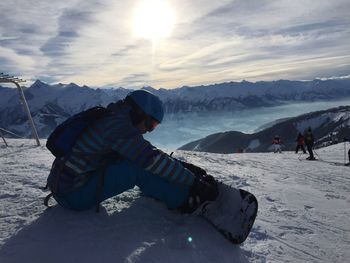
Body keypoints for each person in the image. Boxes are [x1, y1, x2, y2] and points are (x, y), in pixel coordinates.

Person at [46, 90, 218, 213]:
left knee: (135, 160)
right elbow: (151, 159)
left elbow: (145, 151)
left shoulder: (112, 118)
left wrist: (184, 168)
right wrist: (194, 183)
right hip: (73, 196)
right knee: (135, 167)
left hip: (66, 188)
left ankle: (162, 189)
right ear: (138, 113)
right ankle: (184, 200)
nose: (149, 130)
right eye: (151, 124)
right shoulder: (119, 128)